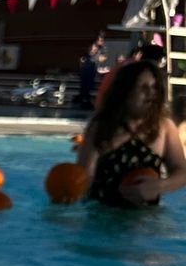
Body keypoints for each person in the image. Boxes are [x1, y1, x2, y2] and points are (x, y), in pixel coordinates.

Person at [76, 59, 186, 207]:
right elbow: (84, 179)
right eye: (144, 88)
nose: (151, 94)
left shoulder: (165, 127)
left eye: (155, 87)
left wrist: (159, 186)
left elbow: (182, 172)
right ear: (126, 92)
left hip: (146, 220)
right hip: (104, 217)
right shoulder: (101, 127)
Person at [77, 33, 108, 107]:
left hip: (91, 73)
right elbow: (82, 62)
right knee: (85, 87)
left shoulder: (101, 51)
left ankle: (85, 99)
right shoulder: (87, 56)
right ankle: (84, 100)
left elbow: (103, 58)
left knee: (88, 87)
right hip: (86, 73)